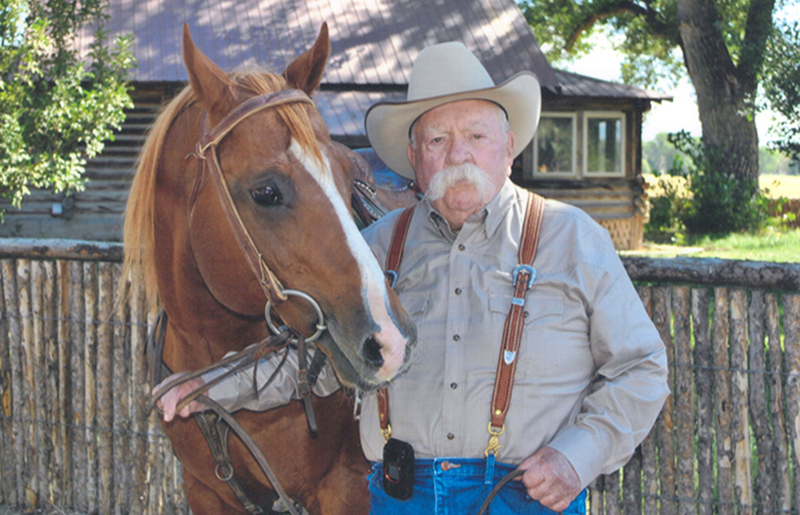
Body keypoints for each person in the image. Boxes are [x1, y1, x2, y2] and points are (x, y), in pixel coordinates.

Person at [157, 42, 670, 514]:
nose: (458, 154)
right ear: (414, 159)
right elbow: (319, 361)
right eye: (438, 139)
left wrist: (576, 457)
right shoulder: (378, 247)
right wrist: (215, 386)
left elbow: (642, 368)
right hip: (403, 498)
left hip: (525, 494)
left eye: (475, 136)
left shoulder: (573, 239)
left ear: (508, 147)